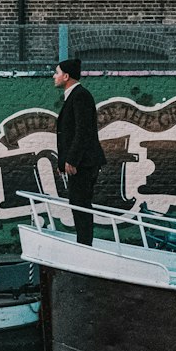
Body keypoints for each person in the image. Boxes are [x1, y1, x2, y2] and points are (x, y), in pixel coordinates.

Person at [54, 57, 106, 244]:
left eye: (57, 72)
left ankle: (85, 246)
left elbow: (83, 131)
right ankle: (83, 245)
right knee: (77, 204)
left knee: (81, 205)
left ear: (66, 76)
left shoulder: (80, 96)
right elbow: (70, 134)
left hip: (84, 163)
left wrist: (72, 160)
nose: (54, 76)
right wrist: (63, 162)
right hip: (80, 162)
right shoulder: (75, 96)